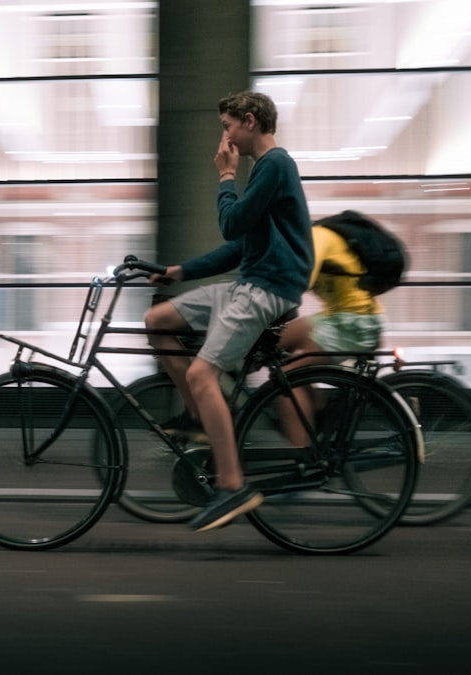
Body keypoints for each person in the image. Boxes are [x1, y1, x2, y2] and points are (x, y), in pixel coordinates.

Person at [145, 90, 314, 532]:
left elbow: (231, 222)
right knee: (157, 321)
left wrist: (224, 177)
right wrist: (179, 272)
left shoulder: (274, 165)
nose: (224, 135)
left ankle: (232, 485)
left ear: (250, 121)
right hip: (249, 284)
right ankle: (202, 418)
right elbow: (240, 244)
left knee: (202, 374)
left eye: (227, 125)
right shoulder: (267, 170)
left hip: (265, 291)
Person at [274, 221, 387, 447]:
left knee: (285, 379)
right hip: (341, 318)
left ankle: (303, 457)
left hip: (354, 323)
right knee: (272, 344)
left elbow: (297, 282)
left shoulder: (319, 237)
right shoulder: (311, 240)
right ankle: (317, 403)